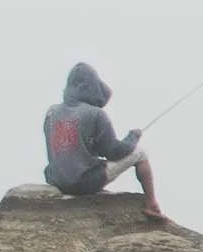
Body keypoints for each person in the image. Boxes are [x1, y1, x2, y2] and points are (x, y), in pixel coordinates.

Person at [42, 62, 164, 219]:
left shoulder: (51, 112)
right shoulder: (96, 114)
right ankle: (152, 204)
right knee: (140, 154)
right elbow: (114, 152)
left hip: (56, 180)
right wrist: (132, 137)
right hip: (83, 183)